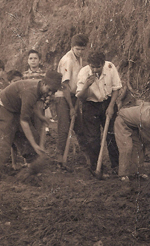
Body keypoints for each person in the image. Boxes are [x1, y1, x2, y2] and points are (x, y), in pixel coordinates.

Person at [0, 71, 63, 187]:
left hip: (15, 110)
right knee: (1, 144)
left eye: (53, 91)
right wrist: (35, 145)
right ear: (43, 83)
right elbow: (24, 121)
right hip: (1, 108)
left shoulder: (39, 87)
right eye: (49, 90)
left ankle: (30, 175)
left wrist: (41, 117)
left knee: (31, 137)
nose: (50, 93)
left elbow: (31, 105)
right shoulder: (30, 91)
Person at [76, 50, 123, 177]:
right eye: (93, 67)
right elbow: (81, 97)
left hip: (108, 102)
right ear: (89, 65)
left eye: (98, 67)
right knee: (93, 138)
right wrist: (86, 85)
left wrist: (111, 106)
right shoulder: (83, 73)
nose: (95, 69)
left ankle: (116, 165)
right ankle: (96, 167)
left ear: (103, 64)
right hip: (90, 105)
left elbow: (116, 88)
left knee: (112, 135)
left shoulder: (110, 67)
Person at [55, 33, 89, 167]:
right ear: (72, 47)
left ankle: (88, 157)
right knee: (64, 128)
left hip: (73, 96)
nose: (80, 52)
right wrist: (71, 107)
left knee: (79, 127)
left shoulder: (78, 58)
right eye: (77, 49)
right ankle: (59, 159)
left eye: (82, 49)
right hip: (63, 97)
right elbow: (64, 86)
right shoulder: (68, 60)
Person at [114, 102, 150, 181]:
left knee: (139, 146)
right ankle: (123, 175)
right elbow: (148, 137)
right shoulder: (146, 119)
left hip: (134, 126)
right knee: (127, 147)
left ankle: (138, 172)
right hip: (122, 122)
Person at [23, 49, 52, 136]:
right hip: (28, 105)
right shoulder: (24, 75)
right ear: (28, 61)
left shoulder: (44, 75)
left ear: (39, 60)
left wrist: (45, 104)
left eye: (35, 58)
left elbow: (49, 92)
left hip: (40, 104)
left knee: (40, 129)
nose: (33, 61)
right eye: (31, 58)